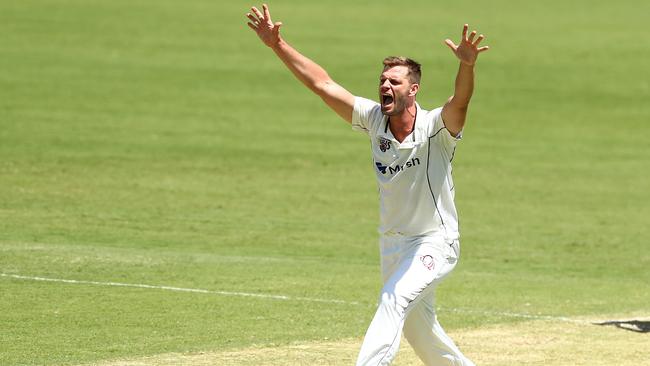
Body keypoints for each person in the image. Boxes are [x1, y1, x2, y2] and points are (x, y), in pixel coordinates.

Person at [246, 4, 488, 365]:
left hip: (434, 242)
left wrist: (466, 65)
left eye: (394, 81)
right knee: (419, 332)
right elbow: (322, 84)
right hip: (392, 244)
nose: (385, 85)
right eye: (383, 80)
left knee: (393, 300)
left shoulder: (436, 127)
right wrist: (277, 45)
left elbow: (461, 101)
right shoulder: (373, 119)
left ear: (414, 89)